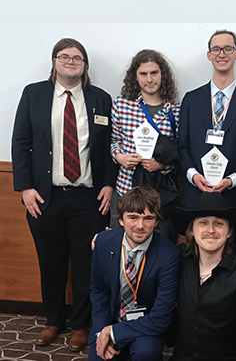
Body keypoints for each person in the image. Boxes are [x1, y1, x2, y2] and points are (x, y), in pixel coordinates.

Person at [12, 37, 118, 351]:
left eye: (77, 58)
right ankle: (53, 321)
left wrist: (109, 184)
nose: (70, 61)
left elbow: (108, 149)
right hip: (45, 196)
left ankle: (81, 325)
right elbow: (21, 142)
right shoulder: (35, 94)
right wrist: (26, 187)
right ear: (54, 61)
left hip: (89, 198)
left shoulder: (100, 98)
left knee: (87, 264)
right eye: (64, 56)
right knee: (51, 261)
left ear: (85, 66)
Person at [178, 30, 236, 242]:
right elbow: (182, 148)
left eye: (228, 48)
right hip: (195, 197)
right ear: (209, 55)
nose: (221, 53)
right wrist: (193, 176)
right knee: (193, 264)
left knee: (230, 267)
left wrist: (230, 181)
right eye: (216, 49)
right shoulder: (191, 99)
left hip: (233, 200)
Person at [170, 192, 236, 361]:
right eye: (203, 223)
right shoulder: (178, 259)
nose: (211, 230)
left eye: (219, 223)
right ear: (191, 230)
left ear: (229, 232)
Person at [89, 186, 180, 361]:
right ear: (121, 219)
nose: (140, 226)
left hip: (147, 327)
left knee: (146, 353)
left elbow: (161, 317)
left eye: (148, 218)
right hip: (110, 321)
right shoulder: (102, 242)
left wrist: (113, 332)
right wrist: (101, 331)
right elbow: (99, 290)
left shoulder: (169, 255)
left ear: (156, 221)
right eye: (133, 217)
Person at [110, 49, 180, 242]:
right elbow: (114, 141)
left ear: (162, 75)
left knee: (159, 249)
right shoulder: (122, 105)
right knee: (119, 247)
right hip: (125, 188)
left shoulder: (174, 111)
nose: (149, 79)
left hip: (158, 195)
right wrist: (120, 157)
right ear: (135, 77)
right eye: (143, 74)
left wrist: (162, 165)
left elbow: (179, 152)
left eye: (154, 73)